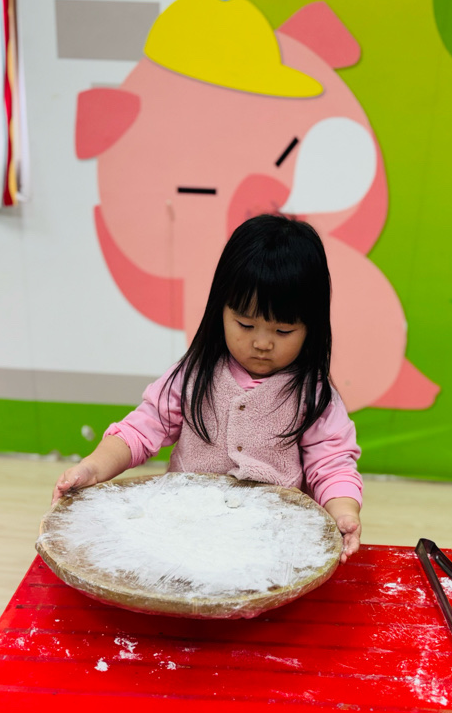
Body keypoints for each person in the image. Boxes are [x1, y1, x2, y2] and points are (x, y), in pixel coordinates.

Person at [53, 214, 363, 561]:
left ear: (311, 327)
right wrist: (93, 467)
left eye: (283, 331)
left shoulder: (314, 394)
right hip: (184, 531)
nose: (262, 343)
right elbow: (140, 430)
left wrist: (344, 511)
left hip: (269, 543)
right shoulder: (194, 374)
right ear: (221, 311)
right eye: (245, 324)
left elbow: (332, 464)